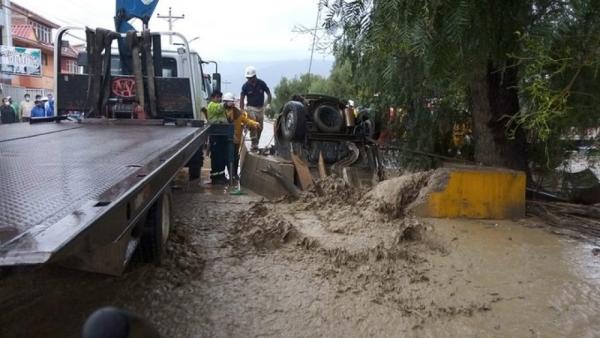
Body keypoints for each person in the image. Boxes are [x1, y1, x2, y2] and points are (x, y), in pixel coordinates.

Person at [223, 92, 260, 181]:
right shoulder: (222, 112)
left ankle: (234, 175)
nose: (230, 103)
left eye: (231, 101)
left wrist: (255, 123)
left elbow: (246, 121)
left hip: (236, 140)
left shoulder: (238, 113)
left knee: (235, 157)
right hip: (226, 140)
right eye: (228, 101)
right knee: (228, 158)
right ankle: (230, 175)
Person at [239, 66, 271, 151]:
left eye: (250, 78)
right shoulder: (245, 86)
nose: (249, 79)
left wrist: (269, 104)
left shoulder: (261, 83)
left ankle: (257, 141)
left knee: (260, 127)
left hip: (260, 108)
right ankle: (253, 142)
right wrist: (241, 109)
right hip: (250, 108)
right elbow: (242, 98)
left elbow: (268, 93)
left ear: (254, 76)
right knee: (253, 122)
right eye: (248, 78)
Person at [206, 90, 229, 184]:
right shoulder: (211, 105)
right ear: (213, 97)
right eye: (217, 97)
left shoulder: (219, 106)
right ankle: (215, 178)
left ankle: (221, 176)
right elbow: (218, 108)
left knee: (222, 157)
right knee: (216, 157)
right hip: (215, 135)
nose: (219, 99)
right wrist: (225, 105)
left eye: (220, 97)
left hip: (221, 135)